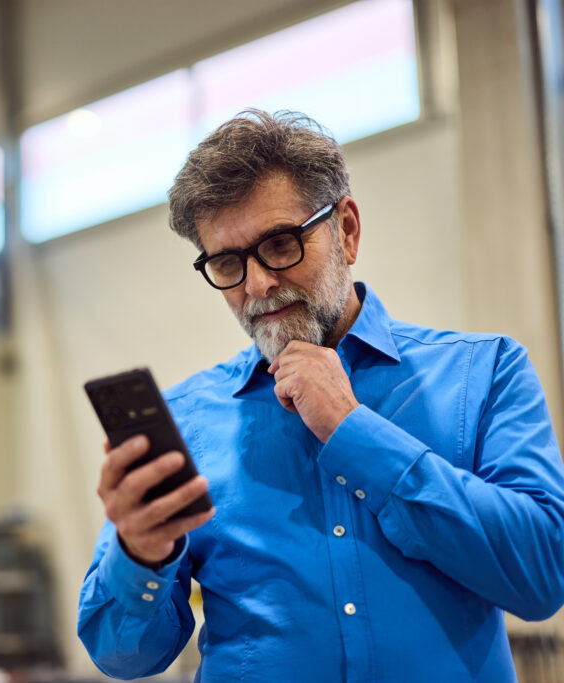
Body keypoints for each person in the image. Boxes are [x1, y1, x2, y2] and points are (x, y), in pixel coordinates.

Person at [77, 109, 564, 682]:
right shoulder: (187, 421)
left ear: (346, 231)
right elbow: (122, 656)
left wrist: (352, 428)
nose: (258, 284)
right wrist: (140, 553)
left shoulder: (484, 372)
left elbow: (543, 576)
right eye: (228, 263)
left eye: (281, 243)